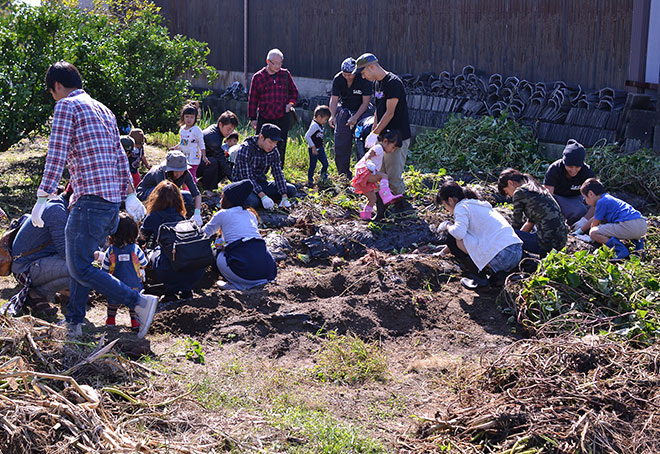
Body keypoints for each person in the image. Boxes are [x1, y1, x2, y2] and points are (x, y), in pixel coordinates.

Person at [33, 61, 156, 338]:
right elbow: (120, 156)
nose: (54, 97)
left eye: (52, 92)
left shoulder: (66, 106)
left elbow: (57, 152)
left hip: (90, 198)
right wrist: (129, 194)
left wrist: (44, 196)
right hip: (109, 201)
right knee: (84, 260)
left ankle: (139, 302)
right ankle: (74, 322)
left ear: (57, 86)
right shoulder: (104, 109)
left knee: (79, 265)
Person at [436, 182, 523, 289]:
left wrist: (447, 225)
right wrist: (442, 253)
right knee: (457, 235)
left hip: (502, 257)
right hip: (516, 252)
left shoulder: (460, 207)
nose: (446, 210)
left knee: (451, 235)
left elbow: (458, 234)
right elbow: (467, 238)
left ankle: (480, 279)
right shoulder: (477, 204)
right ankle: (500, 275)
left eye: (445, 205)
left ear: (450, 200)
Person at [354, 53, 411, 201]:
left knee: (393, 176)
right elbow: (378, 112)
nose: (363, 77)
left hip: (396, 138)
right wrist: (373, 133)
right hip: (383, 137)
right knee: (380, 174)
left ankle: (400, 209)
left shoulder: (393, 83)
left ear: (371, 67)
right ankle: (383, 205)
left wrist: (375, 133)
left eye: (363, 72)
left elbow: (390, 112)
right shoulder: (376, 84)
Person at [203, 180, 277, 290]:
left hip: (244, 272)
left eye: (222, 197)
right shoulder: (251, 214)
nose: (220, 200)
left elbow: (204, 234)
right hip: (268, 271)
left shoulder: (222, 214)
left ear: (228, 200)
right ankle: (246, 281)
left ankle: (236, 284)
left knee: (218, 252)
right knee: (225, 245)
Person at [140, 181, 206, 300]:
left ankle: (170, 291)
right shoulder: (180, 216)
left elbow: (141, 238)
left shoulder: (153, 217)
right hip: (195, 271)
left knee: (155, 253)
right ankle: (186, 290)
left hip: (168, 270)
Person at [8, 192, 70, 316]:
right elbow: (66, 252)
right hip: (25, 267)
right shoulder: (57, 211)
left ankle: (66, 293)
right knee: (79, 268)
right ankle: (35, 292)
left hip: (38, 260)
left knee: (81, 266)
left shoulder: (62, 207)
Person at [498, 168, 568, 257]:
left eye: (507, 192)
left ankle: (523, 260)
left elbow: (516, 224)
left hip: (547, 244)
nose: (510, 196)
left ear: (510, 183)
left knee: (507, 233)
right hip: (561, 241)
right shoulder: (536, 188)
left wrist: (509, 240)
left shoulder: (519, 192)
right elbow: (530, 222)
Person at [248, 48, 299, 167]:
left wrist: (290, 104)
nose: (278, 66)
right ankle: (259, 168)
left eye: (280, 63)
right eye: (275, 63)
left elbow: (294, 92)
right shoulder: (258, 77)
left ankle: (278, 169)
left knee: (280, 143)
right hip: (265, 116)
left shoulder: (285, 74)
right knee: (261, 143)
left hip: (282, 115)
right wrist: (252, 118)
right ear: (268, 61)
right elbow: (253, 99)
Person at [577, 178, 647, 260]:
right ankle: (639, 250)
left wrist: (590, 237)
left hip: (629, 225)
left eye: (585, 198)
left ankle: (620, 250)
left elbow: (595, 224)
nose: (586, 201)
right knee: (617, 227)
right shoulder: (608, 199)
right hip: (642, 225)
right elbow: (594, 218)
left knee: (593, 232)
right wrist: (579, 231)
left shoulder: (601, 202)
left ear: (591, 194)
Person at [232, 124, 297, 210]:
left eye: (275, 143)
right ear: (261, 137)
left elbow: (277, 172)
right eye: (270, 142)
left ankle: (267, 199)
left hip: (261, 183)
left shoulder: (273, 150)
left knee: (291, 190)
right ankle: (260, 199)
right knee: (253, 202)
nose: (272, 146)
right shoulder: (246, 148)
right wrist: (263, 196)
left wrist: (284, 196)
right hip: (244, 185)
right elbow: (247, 178)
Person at [100, 213, 148, 328]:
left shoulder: (110, 251)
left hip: (115, 283)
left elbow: (104, 269)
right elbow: (144, 263)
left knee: (112, 302)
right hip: (133, 283)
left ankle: (111, 320)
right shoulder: (135, 249)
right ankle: (135, 322)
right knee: (133, 303)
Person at [329, 57, 373, 179]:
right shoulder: (338, 79)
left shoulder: (363, 78)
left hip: (362, 111)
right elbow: (334, 99)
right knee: (341, 141)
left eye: (350, 75)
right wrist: (332, 116)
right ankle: (343, 175)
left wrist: (356, 117)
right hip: (345, 109)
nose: (347, 77)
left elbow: (365, 102)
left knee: (362, 141)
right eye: (345, 74)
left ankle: (363, 174)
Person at [136, 150, 203, 225]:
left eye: (181, 171)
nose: (179, 174)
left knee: (187, 196)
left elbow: (196, 194)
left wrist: (197, 213)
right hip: (147, 193)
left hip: (168, 194)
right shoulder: (160, 173)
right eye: (176, 172)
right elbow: (163, 195)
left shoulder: (185, 173)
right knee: (169, 195)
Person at [543, 139, 596, 228]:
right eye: (570, 166)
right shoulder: (555, 169)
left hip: (576, 197)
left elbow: (597, 199)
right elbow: (547, 196)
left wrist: (585, 220)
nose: (573, 170)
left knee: (586, 213)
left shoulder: (587, 172)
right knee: (578, 211)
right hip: (556, 196)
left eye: (577, 167)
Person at [351, 130, 403, 220]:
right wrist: (368, 162)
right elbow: (368, 154)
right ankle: (387, 196)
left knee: (373, 199)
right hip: (365, 172)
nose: (393, 150)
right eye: (393, 147)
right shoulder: (379, 148)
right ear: (385, 141)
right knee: (384, 176)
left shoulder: (381, 150)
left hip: (363, 175)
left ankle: (365, 216)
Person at [199, 110, 239, 191]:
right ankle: (207, 189)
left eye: (232, 130)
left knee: (225, 160)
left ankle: (202, 183)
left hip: (201, 160)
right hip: (194, 163)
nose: (230, 132)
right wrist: (235, 181)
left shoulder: (215, 129)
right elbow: (221, 160)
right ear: (220, 124)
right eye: (228, 129)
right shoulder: (213, 138)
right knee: (214, 162)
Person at [171, 102, 207, 182]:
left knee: (191, 174)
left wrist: (204, 156)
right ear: (183, 117)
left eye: (191, 117)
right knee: (183, 173)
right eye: (187, 117)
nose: (189, 119)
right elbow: (183, 142)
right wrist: (176, 148)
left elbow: (201, 143)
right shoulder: (182, 129)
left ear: (195, 118)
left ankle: (192, 191)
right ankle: (185, 190)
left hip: (194, 157)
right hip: (184, 156)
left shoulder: (196, 130)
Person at [304, 105, 331, 187]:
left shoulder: (319, 125)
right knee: (313, 165)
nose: (326, 122)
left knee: (325, 163)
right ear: (319, 117)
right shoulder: (314, 126)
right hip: (314, 149)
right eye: (325, 119)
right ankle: (310, 180)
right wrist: (313, 147)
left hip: (320, 148)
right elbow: (307, 136)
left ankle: (323, 176)